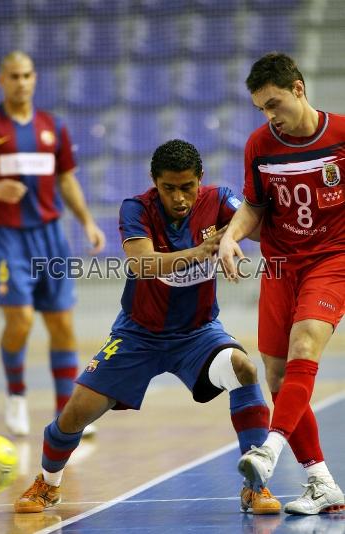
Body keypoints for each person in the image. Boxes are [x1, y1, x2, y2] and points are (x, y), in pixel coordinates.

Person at [14, 139, 280, 515]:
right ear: (155, 183)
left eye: (187, 187)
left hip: (197, 334)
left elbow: (257, 225)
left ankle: (255, 487)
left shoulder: (219, 200)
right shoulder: (136, 208)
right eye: (168, 188)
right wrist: (203, 251)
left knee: (244, 368)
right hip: (137, 335)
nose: (180, 197)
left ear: (200, 180)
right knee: (76, 412)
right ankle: (48, 484)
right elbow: (143, 264)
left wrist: (236, 234)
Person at [219, 52, 345, 515]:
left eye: (274, 103)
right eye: (262, 109)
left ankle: (268, 451)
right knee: (275, 374)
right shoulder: (259, 145)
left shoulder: (342, 136)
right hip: (278, 267)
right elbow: (253, 206)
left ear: (298, 88)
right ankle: (321, 482)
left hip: (333, 259)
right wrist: (232, 237)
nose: (270, 116)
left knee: (304, 344)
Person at [0, 51, 105, 437]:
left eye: (27, 75)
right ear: (1, 80)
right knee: (22, 319)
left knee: (62, 322)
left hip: (51, 236)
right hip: (6, 236)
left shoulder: (53, 126)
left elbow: (66, 180)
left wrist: (87, 221)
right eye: (14, 76)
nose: (21, 82)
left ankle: (68, 410)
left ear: (35, 78)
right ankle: (16, 395)